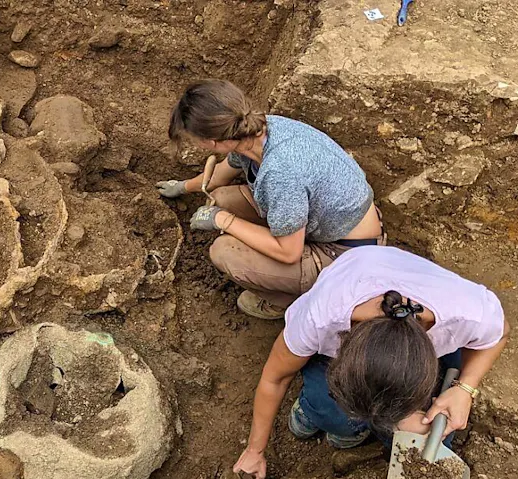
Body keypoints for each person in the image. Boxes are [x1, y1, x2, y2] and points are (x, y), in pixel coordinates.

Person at [230, 246, 509, 479]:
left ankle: (358, 426)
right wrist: (255, 450)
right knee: (334, 413)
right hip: (359, 274)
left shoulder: (466, 314)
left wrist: (464, 389)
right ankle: (315, 411)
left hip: (416, 306)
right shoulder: (320, 318)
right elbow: (275, 378)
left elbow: (500, 334)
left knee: (435, 437)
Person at [156, 79, 384, 320]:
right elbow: (218, 177)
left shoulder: (280, 172)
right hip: (328, 222)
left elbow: (289, 253)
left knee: (224, 252)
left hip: (347, 255)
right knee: (221, 198)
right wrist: (182, 187)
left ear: (211, 142)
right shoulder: (255, 130)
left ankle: (290, 302)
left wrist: (222, 220)